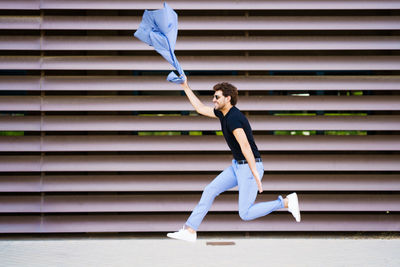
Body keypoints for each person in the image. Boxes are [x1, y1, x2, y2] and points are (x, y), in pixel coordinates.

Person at [167, 76, 301, 242]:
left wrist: (256, 175)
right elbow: (201, 108)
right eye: (214, 96)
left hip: (249, 167)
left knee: (245, 213)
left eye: (217, 97)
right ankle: (190, 230)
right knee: (210, 190)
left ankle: (286, 203)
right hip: (238, 166)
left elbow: (245, 147)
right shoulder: (223, 114)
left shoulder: (234, 118)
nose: (213, 99)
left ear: (227, 98)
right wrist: (185, 86)